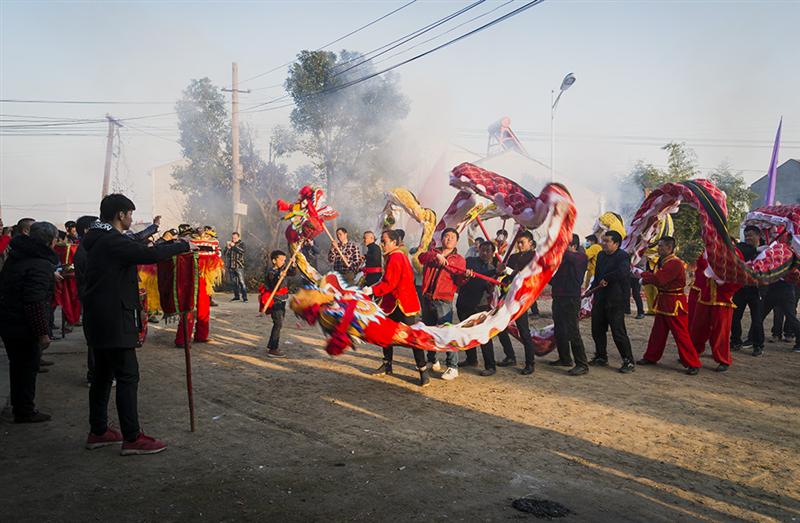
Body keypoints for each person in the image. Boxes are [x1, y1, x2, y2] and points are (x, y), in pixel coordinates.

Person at [82, 194, 194, 455]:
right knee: (127, 375)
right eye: (130, 214)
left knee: (102, 376)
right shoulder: (111, 240)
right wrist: (182, 246)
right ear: (120, 215)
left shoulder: (98, 239)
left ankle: (98, 431)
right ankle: (132, 438)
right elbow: (147, 253)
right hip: (114, 318)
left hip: (99, 318)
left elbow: (138, 246)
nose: (132, 219)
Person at [0, 222, 59, 422]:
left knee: (18, 366)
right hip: (22, 325)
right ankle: (24, 410)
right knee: (26, 367)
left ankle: (20, 406)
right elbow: (34, 301)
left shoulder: (17, 257)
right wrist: (43, 333)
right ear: (51, 241)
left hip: (8, 320)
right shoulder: (40, 264)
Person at [363, 229, 430, 387]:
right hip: (392, 303)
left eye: (384, 241)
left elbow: (390, 283)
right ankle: (387, 365)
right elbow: (387, 280)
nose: (382, 243)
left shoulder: (396, 257)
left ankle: (423, 370)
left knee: (412, 337)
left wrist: (373, 290)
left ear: (394, 242)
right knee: (386, 334)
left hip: (403, 303)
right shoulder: (394, 256)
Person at [637, 237, 702, 375]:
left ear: (669, 247)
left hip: (674, 303)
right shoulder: (666, 261)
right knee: (658, 332)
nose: (658, 248)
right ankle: (651, 356)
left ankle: (692, 362)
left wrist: (642, 276)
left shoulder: (674, 263)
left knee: (680, 334)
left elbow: (660, 279)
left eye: (661, 246)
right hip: (664, 301)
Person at [418, 227, 466, 380]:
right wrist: (437, 256)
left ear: (456, 241)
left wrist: (466, 277)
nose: (449, 239)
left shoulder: (459, 259)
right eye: (446, 236)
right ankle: (432, 360)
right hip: (427, 297)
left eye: (452, 237)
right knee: (429, 331)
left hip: (443, 299)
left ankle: (452, 366)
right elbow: (421, 258)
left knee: (446, 333)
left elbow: (459, 281)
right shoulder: (433, 252)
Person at [589, 230, 635, 373]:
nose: (603, 243)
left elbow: (623, 272)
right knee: (597, 329)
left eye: (607, 241)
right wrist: (592, 289)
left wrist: (607, 279)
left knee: (618, 331)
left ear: (616, 243)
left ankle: (628, 361)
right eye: (603, 240)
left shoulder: (623, 256)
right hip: (600, 298)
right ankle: (601, 356)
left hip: (616, 299)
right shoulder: (601, 255)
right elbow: (597, 275)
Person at [495, 230, 539, 375]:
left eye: (522, 242)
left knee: (523, 330)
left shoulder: (534, 257)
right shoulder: (513, 257)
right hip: (507, 295)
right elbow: (506, 275)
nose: (519, 245)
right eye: (518, 242)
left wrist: (507, 270)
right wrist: (501, 270)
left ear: (530, 243)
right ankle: (510, 356)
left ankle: (530, 363)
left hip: (520, 298)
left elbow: (523, 275)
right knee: (500, 328)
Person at [689, 252, 741, 372]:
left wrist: (723, 284)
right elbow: (701, 268)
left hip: (723, 299)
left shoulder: (733, 252)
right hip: (705, 297)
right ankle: (692, 355)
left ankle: (723, 359)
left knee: (721, 332)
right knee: (698, 329)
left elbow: (739, 276)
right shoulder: (707, 251)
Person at [456, 240, 500, 375]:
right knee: (467, 332)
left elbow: (488, 285)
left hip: (480, 305)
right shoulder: (469, 261)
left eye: (488, 251)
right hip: (464, 302)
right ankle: (471, 359)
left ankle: (490, 366)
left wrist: (496, 273)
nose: (485, 253)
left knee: (484, 336)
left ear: (493, 253)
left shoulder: (494, 268)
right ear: (479, 250)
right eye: (483, 250)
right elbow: (462, 275)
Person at [548, 234, 589, 375]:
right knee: (560, 329)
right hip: (559, 297)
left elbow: (569, 256)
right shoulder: (562, 260)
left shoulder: (580, 258)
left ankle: (582, 364)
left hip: (571, 298)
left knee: (573, 331)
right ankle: (565, 358)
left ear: (574, 246)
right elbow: (553, 279)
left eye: (565, 245)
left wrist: (558, 247)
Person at [730, 226, 765, 355]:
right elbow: (742, 252)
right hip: (741, 288)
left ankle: (758, 345)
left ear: (758, 236)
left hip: (757, 290)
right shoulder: (742, 247)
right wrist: (756, 250)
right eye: (747, 235)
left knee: (756, 320)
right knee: (735, 317)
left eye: (751, 235)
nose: (748, 237)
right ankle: (735, 341)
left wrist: (764, 252)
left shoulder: (767, 249)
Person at [74, 215, 99, 385]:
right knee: (96, 338)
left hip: (92, 295)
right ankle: (95, 376)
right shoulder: (85, 250)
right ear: (86, 230)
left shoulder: (88, 247)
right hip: (92, 297)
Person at [262, 250, 296, 358]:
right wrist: (278, 277)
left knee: (279, 323)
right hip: (275, 300)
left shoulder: (283, 269)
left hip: (283, 299)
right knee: (278, 323)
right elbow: (273, 284)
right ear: (274, 260)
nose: (283, 262)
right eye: (281, 260)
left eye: (284, 260)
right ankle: (273, 348)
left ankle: (271, 345)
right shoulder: (271, 272)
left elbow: (292, 273)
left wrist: (293, 264)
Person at [762, 278, 800, 350]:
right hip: (778, 289)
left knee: (791, 317)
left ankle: (788, 334)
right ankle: (753, 338)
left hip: (785, 289)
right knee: (760, 316)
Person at [225, 232, 247, 302]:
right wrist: (228, 248)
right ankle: (236, 296)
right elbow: (225, 254)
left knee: (241, 282)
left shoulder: (242, 244)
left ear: (238, 238)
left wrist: (234, 246)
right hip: (231, 266)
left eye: (235, 238)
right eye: (232, 238)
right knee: (234, 282)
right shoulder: (230, 244)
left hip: (239, 266)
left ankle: (245, 297)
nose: (233, 239)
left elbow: (242, 251)